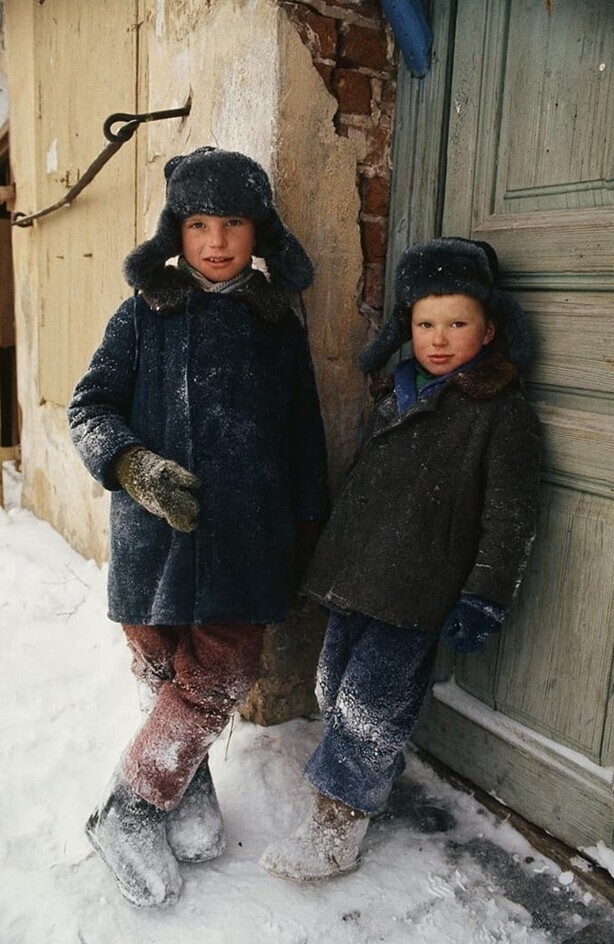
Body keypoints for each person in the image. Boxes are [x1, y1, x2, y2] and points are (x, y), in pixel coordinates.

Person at [67, 147, 328, 907]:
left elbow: (303, 434)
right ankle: (186, 784)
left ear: (260, 231)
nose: (216, 241)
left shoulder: (277, 322)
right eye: (199, 223)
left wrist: (307, 528)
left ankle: (131, 805)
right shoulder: (143, 315)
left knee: (221, 671)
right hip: (155, 543)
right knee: (162, 668)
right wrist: (134, 468)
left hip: (248, 541)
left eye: (234, 223)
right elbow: (90, 409)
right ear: (174, 231)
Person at [260, 237, 540, 882]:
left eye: (457, 323)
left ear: (490, 328)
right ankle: (368, 778)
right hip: (357, 576)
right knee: (333, 687)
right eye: (424, 323)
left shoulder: (501, 412)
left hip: (419, 588)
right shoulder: (395, 393)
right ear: (406, 327)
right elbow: (362, 482)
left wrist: (485, 595)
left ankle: (337, 828)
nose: (438, 339)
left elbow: (510, 517)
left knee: (368, 705)